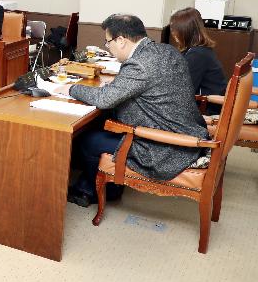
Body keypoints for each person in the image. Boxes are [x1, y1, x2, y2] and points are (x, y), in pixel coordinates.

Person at [55, 14, 210, 208]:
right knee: (102, 121)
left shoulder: (140, 64)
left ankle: (103, 190)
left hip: (167, 147)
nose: (107, 47)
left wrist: (70, 88)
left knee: (89, 140)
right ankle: (90, 184)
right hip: (185, 131)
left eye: (108, 42)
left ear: (121, 41)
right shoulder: (166, 50)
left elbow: (105, 99)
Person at [169, 7, 226, 114]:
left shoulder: (197, 55)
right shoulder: (200, 50)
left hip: (207, 108)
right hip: (208, 104)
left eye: (175, 30)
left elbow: (183, 90)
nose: (173, 33)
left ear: (186, 31)